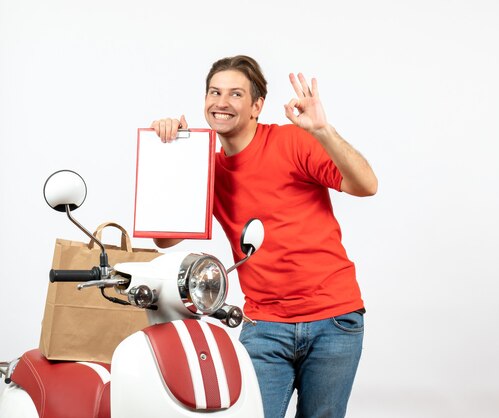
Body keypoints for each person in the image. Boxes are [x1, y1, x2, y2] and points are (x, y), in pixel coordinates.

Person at [151, 55, 377, 418]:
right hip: (265, 325)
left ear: (257, 105)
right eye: (214, 92)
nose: (221, 102)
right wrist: (175, 157)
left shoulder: (292, 141)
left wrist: (322, 130)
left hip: (333, 319)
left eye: (235, 94)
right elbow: (165, 239)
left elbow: (367, 185)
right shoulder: (206, 167)